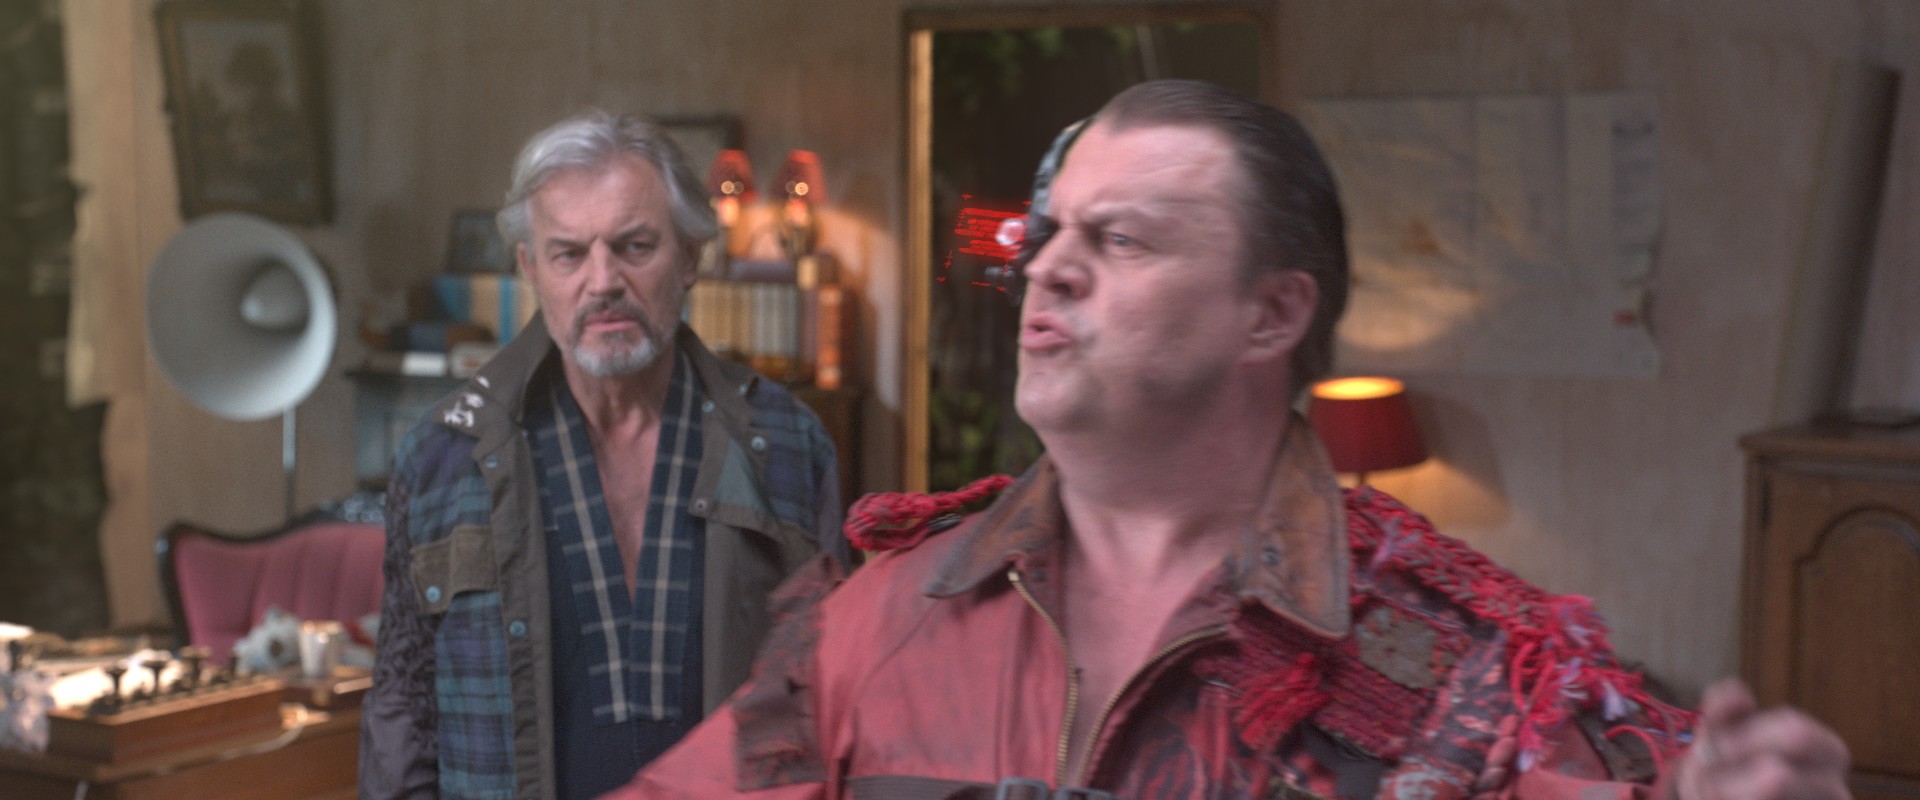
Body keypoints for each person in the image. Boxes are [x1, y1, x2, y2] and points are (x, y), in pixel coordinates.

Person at [606, 81, 1852, 799]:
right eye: (1052, 234)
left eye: (1122, 239)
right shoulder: (879, 614)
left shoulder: (1473, 671)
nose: (1049, 268)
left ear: (1273, 312)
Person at [360, 110, 851, 800]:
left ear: (690, 257)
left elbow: (837, 697)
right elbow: (403, 709)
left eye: (635, 246)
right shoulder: (444, 458)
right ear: (531, 269)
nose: (603, 281)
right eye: (569, 254)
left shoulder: (788, 444)